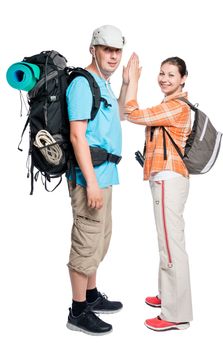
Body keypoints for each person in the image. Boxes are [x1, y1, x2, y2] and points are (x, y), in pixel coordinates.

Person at [66, 25, 132, 335]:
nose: (114, 56)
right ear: (93, 49)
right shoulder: (82, 83)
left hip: (105, 175)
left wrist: (130, 82)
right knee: (86, 241)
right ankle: (78, 311)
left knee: (99, 239)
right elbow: (77, 135)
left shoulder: (103, 83)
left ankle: (91, 296)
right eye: (107, 49)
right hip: (88, 177)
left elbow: (119, 114)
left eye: (117, 51)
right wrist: (90, 182)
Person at [124, 55, 193, 331]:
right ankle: (167, 295)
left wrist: (132, 82)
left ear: (183, 79)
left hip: (168, 179)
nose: (164, 78)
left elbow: (133, 114)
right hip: (165, 179)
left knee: (171, 245)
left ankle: (176, 315)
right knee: (167, 241)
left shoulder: (177, 107)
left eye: (171, 75)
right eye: (162, 73)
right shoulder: (168, 105)